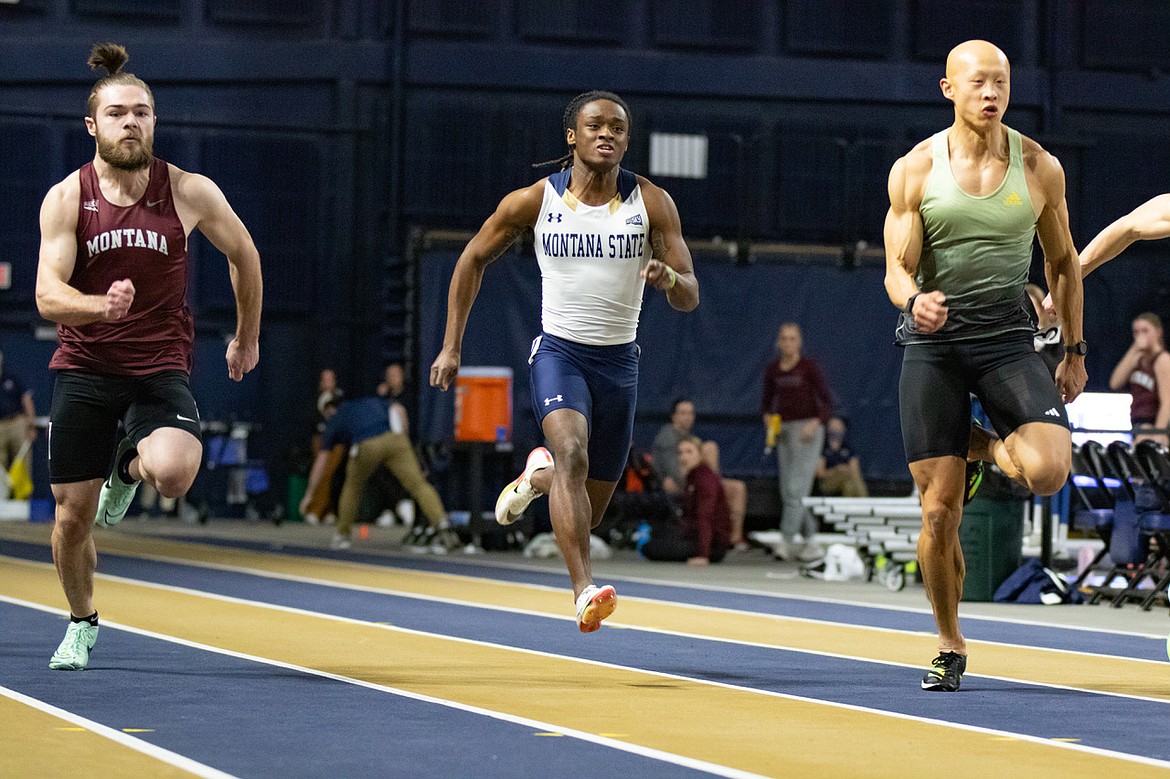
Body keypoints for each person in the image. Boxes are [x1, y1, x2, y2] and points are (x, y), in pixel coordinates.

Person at [430, 90, 699, 632]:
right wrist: (451, 345)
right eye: (595, 125)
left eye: (618, 128)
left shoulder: (651, 203)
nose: (608, 135)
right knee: (573, 452)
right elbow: (471, 259)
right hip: (560, 354)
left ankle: (538, 476)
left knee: (587, 509)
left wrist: (669, 278)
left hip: (620, 365)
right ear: (571, 137)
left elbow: (690, 293)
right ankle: (584, 590)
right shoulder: (535, 202)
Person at [35, 43, 263, 671]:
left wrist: (246, 336)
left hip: (159, 367)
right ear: (94, 125)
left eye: (141, 112)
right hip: (84, 367)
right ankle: (82, 621)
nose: (130, 122)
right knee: (71, 518)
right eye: (116, 114)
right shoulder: (67, 198)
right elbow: (47, 294)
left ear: (155, 121)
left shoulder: (188, 192)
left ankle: (126, 471)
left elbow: (244, 254)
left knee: (174, 473)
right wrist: (97, 308)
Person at [883, 40, 1085, 692]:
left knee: (1050, 469)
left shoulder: (1038, 166)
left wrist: (1074, 349)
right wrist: (916, 300)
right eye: (977, 83)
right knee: (939, 513)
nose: (990, 93)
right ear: (948, 88)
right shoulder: (915, 169)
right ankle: (949, 640)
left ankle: (980, 448)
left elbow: (1064, 262)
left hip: (1005, 336)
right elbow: (896, 267)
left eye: (1000, 82)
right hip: (933, 343)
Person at [300, 394, 455, 552]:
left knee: (352, 488)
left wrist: (310, 494)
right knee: (419, 485)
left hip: (366, 444)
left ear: (329, 409)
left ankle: (342, 534)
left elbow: (322, 460)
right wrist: (404, 437)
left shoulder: (337, 417)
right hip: (395, 438)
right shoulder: (370, 401)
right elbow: (399, 410)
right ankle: (442, 523)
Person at [760, 322, 833, 562]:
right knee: (789, 491)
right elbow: (766, 403)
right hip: (784, 432)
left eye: (792, 338)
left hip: (807, 431)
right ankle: (812, 539)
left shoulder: (809, 368)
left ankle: (786, 539)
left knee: (796, 488)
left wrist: (815, 424)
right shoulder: (773, 370)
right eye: (784, 338)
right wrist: (769, 420)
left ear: (799, 342)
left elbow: (827, 401)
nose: (788, 343)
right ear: (778, 342)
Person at [650, 398, 748, 547]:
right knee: (709, 448)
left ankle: (734, 537)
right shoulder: (668, 437)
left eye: (690, 413)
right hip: (677, 483)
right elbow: (673, 472)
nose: (688, 417)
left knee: (738, 488)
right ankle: (714, 492)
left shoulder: (691, 438)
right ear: (674, 416)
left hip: (698, 481)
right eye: (683, 413)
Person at [640, 437, 730, 565]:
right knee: (657, 535)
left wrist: (703, 555)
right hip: (693, 536)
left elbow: (705, 517)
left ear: (700, 454)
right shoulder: (692, 477)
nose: (684, 457)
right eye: (680, 453)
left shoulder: (705, 479)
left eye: (689, 452)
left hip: (712, 546)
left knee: (650, 548)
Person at [1109, 313, 1170, 444]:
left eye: (1145, 331)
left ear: (1158, 332)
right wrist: (1134, 348)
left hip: (1152, 425)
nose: (1140, 336)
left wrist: (1158, 435)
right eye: (1136, 332)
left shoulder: (1162, 359)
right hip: (1137, 424)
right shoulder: (1137, 359)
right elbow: (1115, 383)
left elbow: (1167, 401)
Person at [0, 348, 37, 472]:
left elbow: (27, 400)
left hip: (17, 423)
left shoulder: (12, 379)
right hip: (0, 426)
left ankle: (24, 492)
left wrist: (31, 425)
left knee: (22, 463)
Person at [816, 417, 868, 498]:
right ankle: (865, 503)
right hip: (828, 482)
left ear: (843, 429)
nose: (836, 429)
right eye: (833, 426)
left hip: (847, 480)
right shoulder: (823, 448)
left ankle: (851, 510)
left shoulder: (848, 448)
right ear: (828, 428)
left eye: (838, 426)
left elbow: (855, 471)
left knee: (849, 485)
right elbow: (820, 473)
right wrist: (836, 470)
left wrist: (845, 470)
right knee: (848, 476)